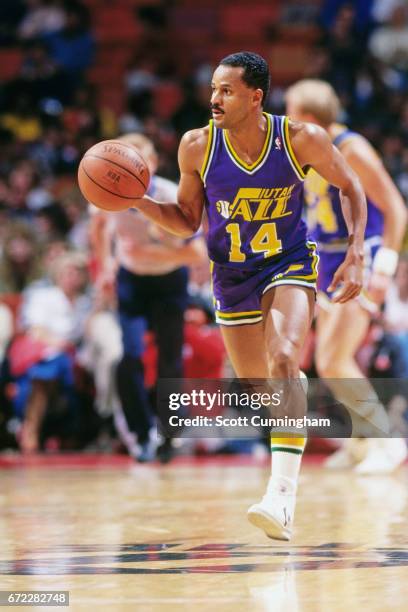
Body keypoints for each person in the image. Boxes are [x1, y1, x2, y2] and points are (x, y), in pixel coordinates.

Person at [126, 52, 367, 540]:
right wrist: (139, 201)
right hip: (231, 276)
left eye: (227, 91)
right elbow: (187, 221)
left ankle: (281, 497)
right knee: (265, 386)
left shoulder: (300, 138)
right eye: (213, 89)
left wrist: (357, 251)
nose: (215, 99)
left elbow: (351, 186)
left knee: (282, 359)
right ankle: (289, 385)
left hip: (289, 263)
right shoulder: (196, 146)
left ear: (255, 97)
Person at [285, 78, 408, 474]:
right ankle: (360, 444)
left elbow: (395, 208)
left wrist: (385, 268)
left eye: (290, 110)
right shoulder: (307, 149)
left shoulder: (353, 149)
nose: (286, 119)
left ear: (306, 115)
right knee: (328, 360)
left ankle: (386, 442)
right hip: (327, 263)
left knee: (336, 358)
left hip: (361, 259)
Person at [92, 133, 207, 462]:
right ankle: (140, 435)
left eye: (139, 161)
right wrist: (105, 265)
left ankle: (170, 438)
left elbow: (197, 254)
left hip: (170, 284)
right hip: (131, 283)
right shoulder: (107, 190)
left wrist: (153, 251)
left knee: (171, 362)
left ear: (153, 165)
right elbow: (99, 226)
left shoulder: (171, 194)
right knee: (128, 358)